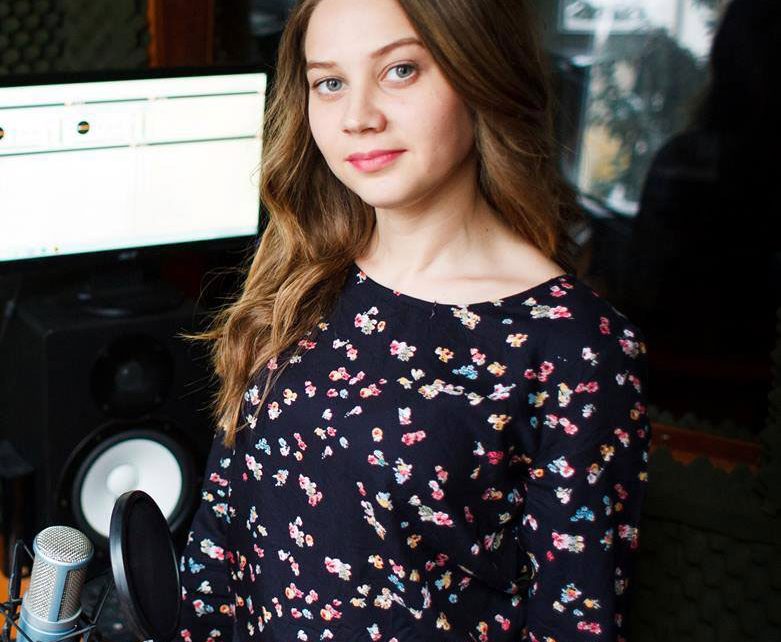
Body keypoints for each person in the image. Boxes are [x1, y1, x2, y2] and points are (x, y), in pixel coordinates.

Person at [175, 1, 652, 640]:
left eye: (400, 70)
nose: (358, 117)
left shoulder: (574, 345)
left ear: (477, 72)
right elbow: (219, 534)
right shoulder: (302, 275)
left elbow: (573, 623)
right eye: (330, 82)